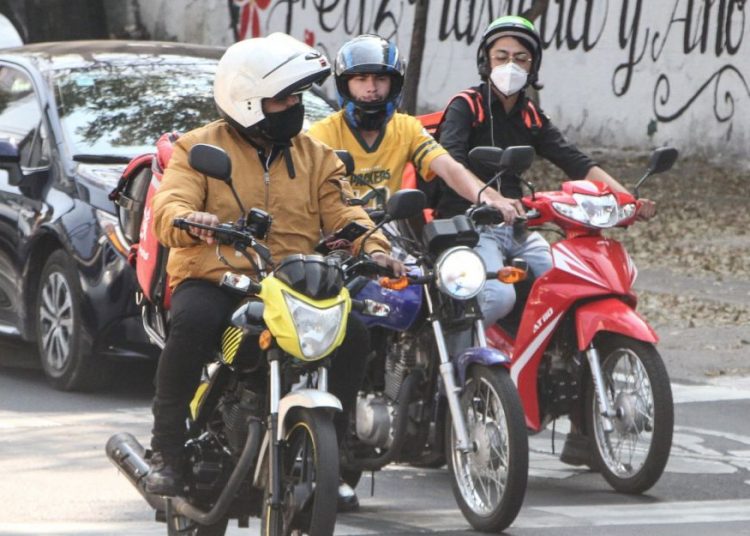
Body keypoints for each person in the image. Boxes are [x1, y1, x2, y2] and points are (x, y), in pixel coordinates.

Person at [143, 33, 401, 502]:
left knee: (354, 336)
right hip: (216, 275)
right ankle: (167, 451)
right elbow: (169, 206)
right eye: (283, 97)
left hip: (289, 282)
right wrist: (191, 218)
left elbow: (346, 212)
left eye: (297, 96)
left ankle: (335, 450)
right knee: (192, 323)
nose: (295, 106)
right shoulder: (197, 148)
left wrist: (375, 245)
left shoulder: (315, 156)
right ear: (247, 100)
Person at [307, 34, 520, 510]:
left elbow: (447, 166)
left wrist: (488, 198)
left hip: (396, 247)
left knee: (451, 301)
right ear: (345, 85)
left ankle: (432, 414)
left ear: (393, 85)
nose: (370, 89)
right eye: (361, 79)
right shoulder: (321, 136)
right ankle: (335, 455)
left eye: (379, 79)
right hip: (339, 248)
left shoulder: (404, 129)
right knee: (352, 335)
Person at [435, 15, 657, 465]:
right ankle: (455, 394)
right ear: (485, 61)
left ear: (533, 66)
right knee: (494, 298)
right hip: (470, 223)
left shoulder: (533, 115)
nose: (511, 65)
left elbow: (575, 160)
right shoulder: (466, 106)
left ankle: (572, 409)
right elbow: (448, 162)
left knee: (568, 291)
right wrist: (491, 197)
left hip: (520, 226)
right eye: (502, 57)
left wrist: (626, 198)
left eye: (520, 58)